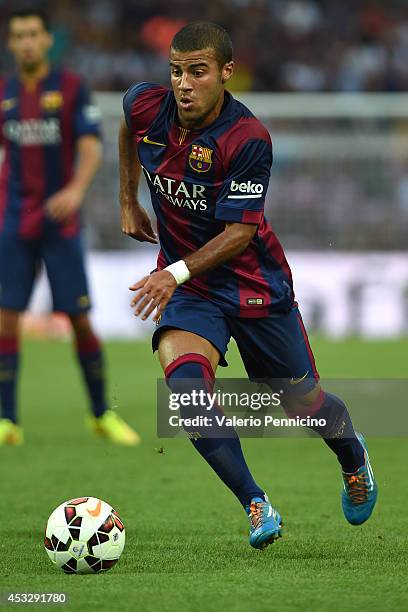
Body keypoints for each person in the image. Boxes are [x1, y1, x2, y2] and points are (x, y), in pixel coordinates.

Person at [119, 21, 377, 549]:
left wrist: (173, 272)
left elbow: (240, 232)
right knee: (187, 394)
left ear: (226, 73)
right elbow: (127, 123)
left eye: (197, 72)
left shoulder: (249, 137)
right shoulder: (147, 106)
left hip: (253, 285)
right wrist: (127, 200)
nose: (183, 84)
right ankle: (256, 503)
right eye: (176, 72)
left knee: (303, 404)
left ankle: (353, 456)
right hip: (192, 292)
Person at [0, 9, 139, 446]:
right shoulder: (3, 93)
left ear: (47, 40)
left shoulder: (72, 87)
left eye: (33, 34)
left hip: (60, 222)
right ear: (11, 43)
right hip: (12, 221)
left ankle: (101, 415)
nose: (26, 42)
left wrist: (76, 190)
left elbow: (91, 144)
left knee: (78, 318)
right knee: (6, 320)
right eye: (18, 35)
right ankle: (8, 422)